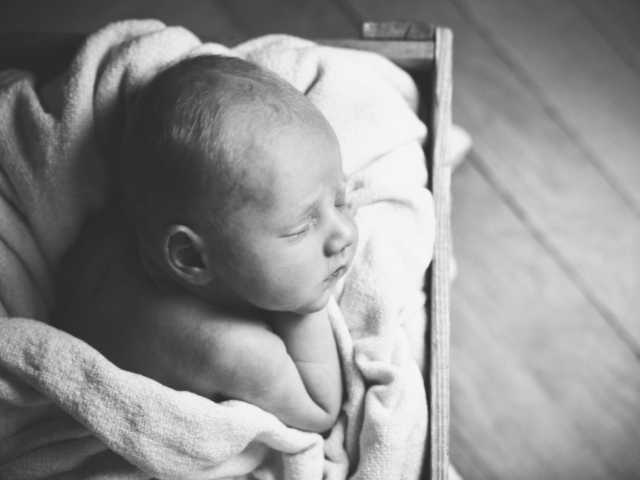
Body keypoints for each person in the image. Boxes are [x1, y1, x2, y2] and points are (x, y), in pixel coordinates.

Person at [56, 55, 358, 433]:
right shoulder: (237, 349)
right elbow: (321, 411)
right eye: (300, 229)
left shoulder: (114, 233)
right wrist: (302, 307)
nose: (344, 233)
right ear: (191, 257)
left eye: (340, 199)